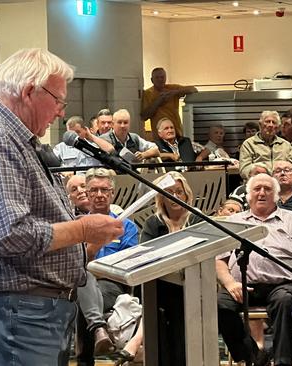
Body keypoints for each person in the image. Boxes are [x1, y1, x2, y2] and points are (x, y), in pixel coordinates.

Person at [0, 48, 124, 365]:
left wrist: (82, 248)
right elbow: (9, 236)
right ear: (29, 91)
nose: (60, 113)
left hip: (27, 313)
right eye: (58, 101)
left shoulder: (12, 138)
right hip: (14, 313)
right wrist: (82, 229)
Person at [218, 173, 292, 366]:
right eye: (257, 189)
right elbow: (219, 260)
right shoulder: (233, 221)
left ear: (276, 195)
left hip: (283, 285)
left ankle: (282, 361)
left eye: (267, 189)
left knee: (285, 302)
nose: (262, 193)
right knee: (218, 305)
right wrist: (229, 283)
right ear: (248, 195)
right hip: (241, 285)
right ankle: (254, 357)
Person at [75, 168, 139, 364]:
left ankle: (87, 356)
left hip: (112, 284)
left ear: (112, 193)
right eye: (94, 190)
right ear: (87, 192)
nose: (99, 195)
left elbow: (130, 263)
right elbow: (72, 262)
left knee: (82, 301)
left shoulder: (126, 226)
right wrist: (91, 251)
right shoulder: (76, 225)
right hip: (80, 282)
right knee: (83, 285)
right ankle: (98, 330)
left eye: (105, 190)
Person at [140, 171, 201, 365]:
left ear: (186, 194)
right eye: (168, 192)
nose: (174, 197)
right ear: (160, 197)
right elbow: (145, 256)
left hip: (194, 286)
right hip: (160, 285)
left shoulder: (198, 220)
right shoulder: (153, 223)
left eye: (178, 192)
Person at [141, 67, 197, 137]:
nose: (160, 79)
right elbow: (144, 116)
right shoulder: (148, 93)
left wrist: (174, 93)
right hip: (160, 135)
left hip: (176, 133)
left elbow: (193, 89)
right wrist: (158, 101)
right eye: (157, 77)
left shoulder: (172, 88)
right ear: (152, 80)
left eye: (162, 77)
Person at [239, 111, 291, 178]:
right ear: (260, 125)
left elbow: (291, 166)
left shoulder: (285, 145)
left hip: (281, 182)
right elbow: (244, 169)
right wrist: (255, 171)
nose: (270, 125)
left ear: (278, 127)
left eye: (274, 122)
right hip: (257, 181)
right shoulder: (249, 144)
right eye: (267, 121)